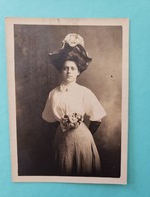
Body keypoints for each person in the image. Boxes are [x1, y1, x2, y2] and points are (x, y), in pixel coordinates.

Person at [42, 33, 106, 176]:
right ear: (61, 70)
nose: (69, 71)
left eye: (72, 68)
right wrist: (62, 128)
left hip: (82, 139)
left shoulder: (84, 92)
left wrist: (84, 134)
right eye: (65, 68)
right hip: (62, 141)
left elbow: (97, 119)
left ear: (78, 72)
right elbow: (49, 119)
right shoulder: (53, 93)